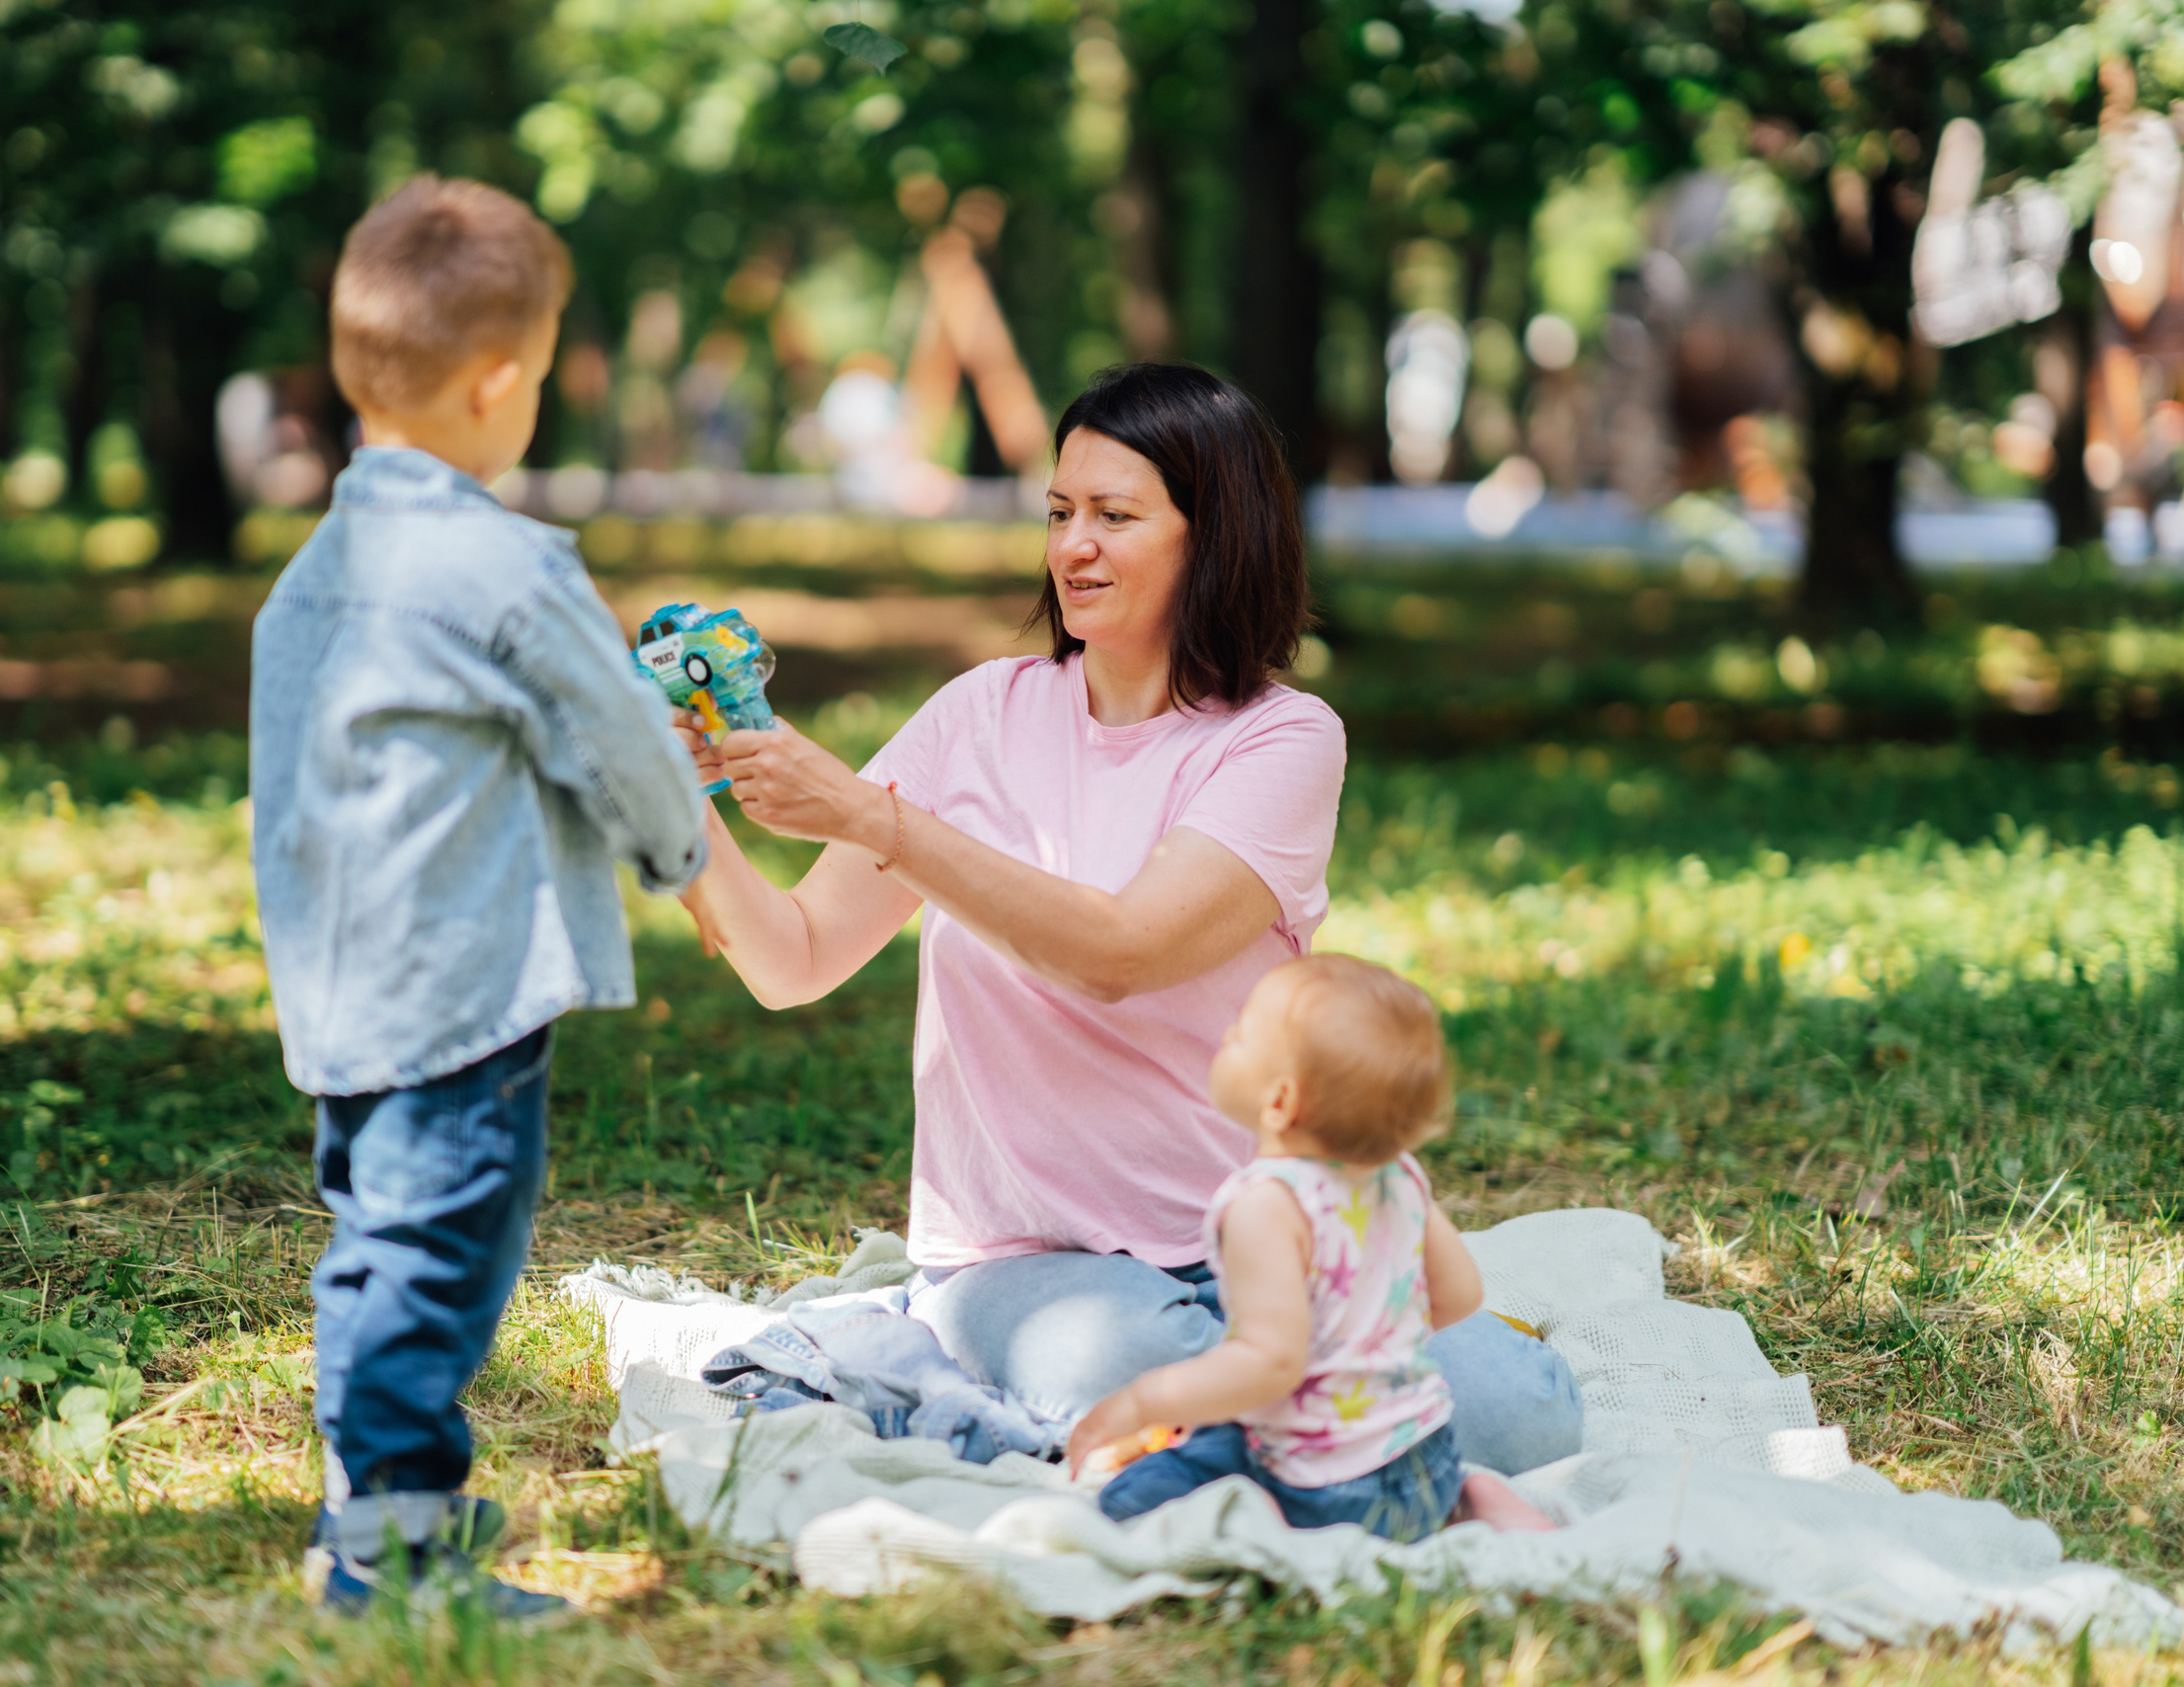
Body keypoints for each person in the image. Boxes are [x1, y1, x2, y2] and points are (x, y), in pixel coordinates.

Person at [677, 362, 1581, 1473]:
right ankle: (978, 1377)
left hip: (1257, 1224)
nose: (1071, 547)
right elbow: (794, 960)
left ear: (1214, 537)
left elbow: (1123, 951)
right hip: (1029, 1260)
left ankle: (1112, 1422)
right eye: (1059, 513)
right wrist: (676, 812)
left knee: (1522, 1414)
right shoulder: (977, 717)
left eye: (1114, 515)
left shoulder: (1280, 740)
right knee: (1125, 1361)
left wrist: (876, 817)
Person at [250, 176, 708, 1619]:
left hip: (342, 986)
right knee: (438, 1262)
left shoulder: (314, 580)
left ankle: (381, 1506)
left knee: (380, 1244)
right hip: (463, 992)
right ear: (499, 385)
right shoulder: (507, 563)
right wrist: (679, 844)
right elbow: (616, 739)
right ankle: (390, 1559)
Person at [1068, 954, 1553, 1536]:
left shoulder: (1266, 1205)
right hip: (1429, 1456)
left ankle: (1268, 1520)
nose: (1225, 1035)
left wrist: (1144, 1401)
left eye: (1241, 1033)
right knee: (1224, 1432)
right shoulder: (1399, 1174)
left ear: (1280, 1102)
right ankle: (1469, 1497)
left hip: (1329, 1490)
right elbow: (1460, 1293)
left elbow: (1270, 1363)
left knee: (1129, 1499)